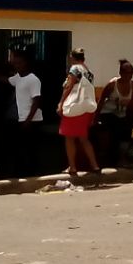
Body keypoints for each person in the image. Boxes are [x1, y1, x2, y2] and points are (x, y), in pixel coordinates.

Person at [57, 48, 101, 178]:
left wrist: (61, 103)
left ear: (72, 57)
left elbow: (69, 87)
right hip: (86, 108)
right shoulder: (88, 71)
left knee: (69, 138)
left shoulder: (75, 69)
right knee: (83, 138)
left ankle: (72, 166)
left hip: (74, 108)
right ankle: (95, 165)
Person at [5, 50, 44, 178]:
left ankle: (33, 175)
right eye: (15, 63)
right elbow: (7, 81)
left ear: (26, 63)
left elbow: (37, 101)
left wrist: (28, 120)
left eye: (19, 63)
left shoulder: (33, 79)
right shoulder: (18, 78)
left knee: (31, 149)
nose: (17, 66)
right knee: (20, 148)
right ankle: (21, 173)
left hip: (32, 121)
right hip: (21, 119)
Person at [96, 59, 133, 167]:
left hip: (121, 114)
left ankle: (122, 157)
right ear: (120, 73)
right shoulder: (112, 85)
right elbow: (101, 101)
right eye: (126, 73)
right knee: (116, 129)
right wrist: (95, 118)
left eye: (131, 73)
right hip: (107, 113)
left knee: (127, 130)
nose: (128, 76)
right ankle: (116, 160)